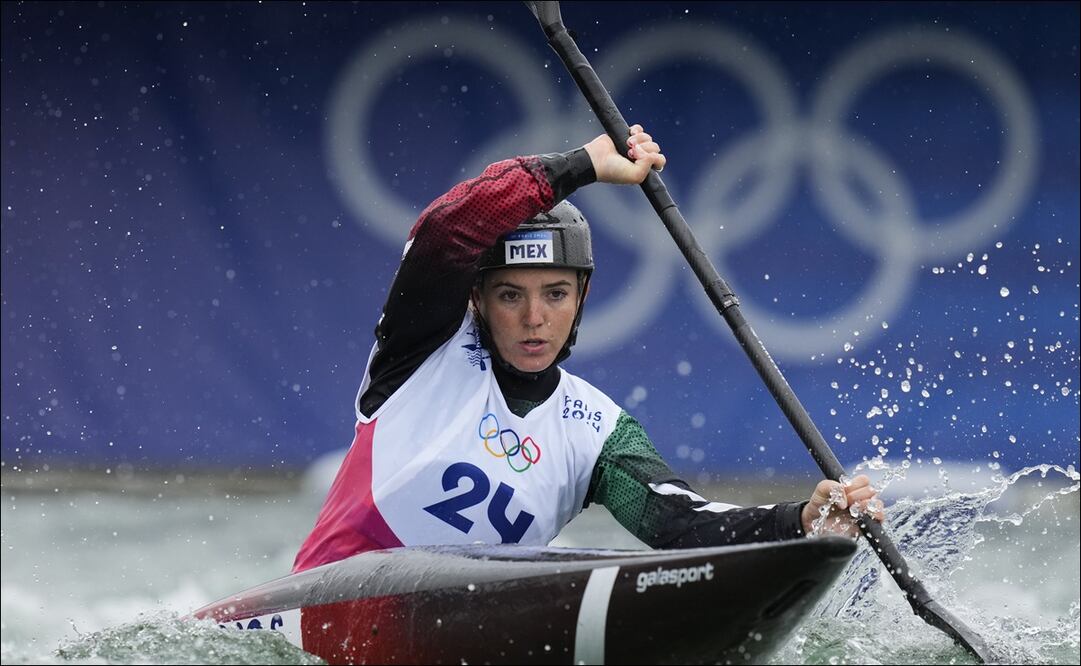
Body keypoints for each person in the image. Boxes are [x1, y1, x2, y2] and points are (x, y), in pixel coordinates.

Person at [293, 125, 883, 573]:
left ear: (582, 296)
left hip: (461, 626)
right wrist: (578, 167)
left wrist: (800, 522)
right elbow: (447, 231)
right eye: (509, 294)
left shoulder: (596, 430)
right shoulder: (421, 350)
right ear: (475, 297)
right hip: (324, 601)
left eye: (554, 293)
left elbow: (678, 522)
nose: (533, 318)